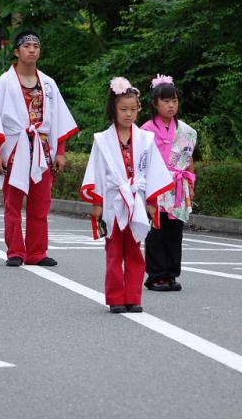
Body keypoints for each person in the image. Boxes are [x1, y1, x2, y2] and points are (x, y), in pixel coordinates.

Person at [0, 30, 79, 267]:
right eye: (27, 46)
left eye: (36, 45)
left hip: (42, 149)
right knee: (13, 203)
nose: (32, 49)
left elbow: (58, 119)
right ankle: (15, 251)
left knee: (40, 202)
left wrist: (61, 152)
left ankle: (37, 252)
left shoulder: (48, 83)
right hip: (14, 148)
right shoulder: (3, 82)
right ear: (17, 52)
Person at [81, 77, 173, 313]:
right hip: (113, 201)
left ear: (139, 109)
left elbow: (153, 172)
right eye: (123, 109)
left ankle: (133, 296)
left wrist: (152, 202)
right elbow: (98, 173)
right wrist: (97, 204)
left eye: (133, 109)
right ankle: (115, 297)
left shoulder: (145, 139)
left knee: (134, 250)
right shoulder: (101, 140)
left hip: (137, 201)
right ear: (113, 109)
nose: (129, 114)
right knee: (113, 252)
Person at [140, 75, 197, 292]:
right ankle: (156, 275)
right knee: (156, 230)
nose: (171, 105)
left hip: (177, 187)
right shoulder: (145, 131)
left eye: (174, 100)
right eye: (166, 101)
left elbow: (189, 158)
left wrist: (190, 182)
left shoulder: (186, 131)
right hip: (155, 185)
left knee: (175, 231)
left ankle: (171, 274)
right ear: (155, 103)